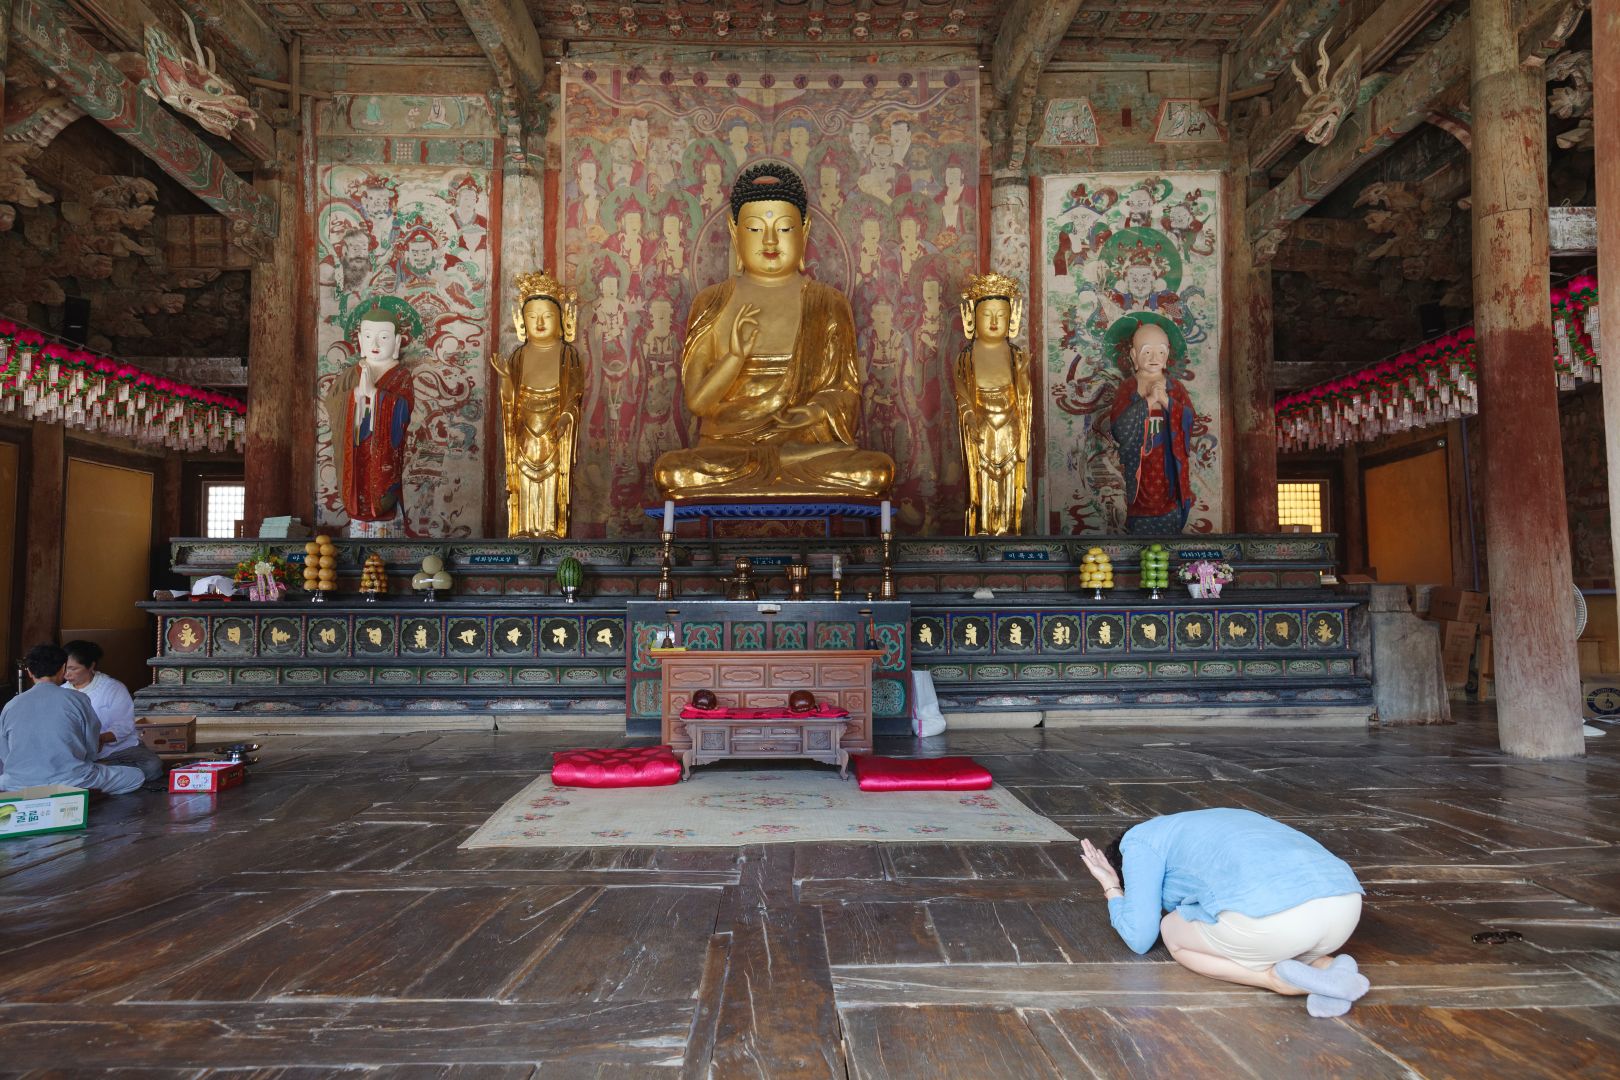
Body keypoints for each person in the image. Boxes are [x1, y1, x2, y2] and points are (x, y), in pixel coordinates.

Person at [1080, 808, 1371, 1018]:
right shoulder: (1221, 818)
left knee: (1172, 929)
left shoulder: (1138, 840)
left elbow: (1140, 937)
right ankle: (1329, 966)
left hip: (1279, 923)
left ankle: (1276, 980)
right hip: (1346, 906)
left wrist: (1112, 887)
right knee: (1256, 918)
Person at [0, 644, 145, 795]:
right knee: (136, 776)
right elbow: (91, 747)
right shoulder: (78, 699)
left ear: (29, 672)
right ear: (63, 668)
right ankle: (79, 797)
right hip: (70, 780)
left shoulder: (11, 705)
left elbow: (5, 753)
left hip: (19, 784)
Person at [63, 640, 164, 785]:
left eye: (73, 669)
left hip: (118, 751)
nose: (67, 674)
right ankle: (106, 774)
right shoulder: (62, 692)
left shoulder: (113, 688)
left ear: (91, 666)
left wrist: (101, 739)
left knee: (152, 766)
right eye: (64, 668)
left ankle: (99, 772)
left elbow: (124, 725)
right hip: (79, 753)